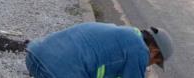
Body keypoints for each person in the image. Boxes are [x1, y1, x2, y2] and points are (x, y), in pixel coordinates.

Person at [26, 22, 174, 78]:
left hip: (35, 55)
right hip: (55, 71)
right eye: (154, 62)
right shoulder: (140, 51)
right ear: (154, 51)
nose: (148, 65)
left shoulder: (124, 34)